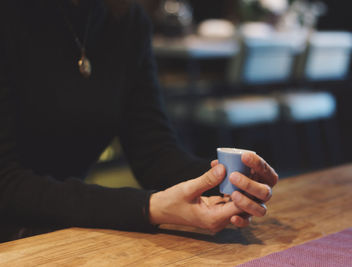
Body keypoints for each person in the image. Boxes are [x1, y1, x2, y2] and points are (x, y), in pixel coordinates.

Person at [0, 0, 278, 242]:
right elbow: (6, 183)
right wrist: (148, 207)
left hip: (60, 230)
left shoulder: (126, 22)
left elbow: (154, 155)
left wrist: (230, 183)